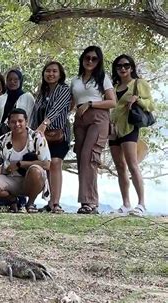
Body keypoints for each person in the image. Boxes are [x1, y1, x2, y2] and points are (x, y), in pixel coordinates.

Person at [71, 45, 116, 214]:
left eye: (94, 58)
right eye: (87, 58)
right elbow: (70, 104)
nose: (90, 61)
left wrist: (90, 104)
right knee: (82, 160)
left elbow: (112, 102)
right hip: (80, 121)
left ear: (99, 61)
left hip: (98, 118)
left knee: (89, 156)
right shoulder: (75, 80)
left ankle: (89, 202)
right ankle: (89, 202)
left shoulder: (102, 78)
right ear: (82, 59)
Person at [109, 55, 155, 216]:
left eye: (126, 65)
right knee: (120, 167)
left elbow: (151, 104)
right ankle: (125, 204)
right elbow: (111, 108)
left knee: (132, 165)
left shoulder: (138, 84)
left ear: (132, 67)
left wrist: (138, 99)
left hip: (129, 128)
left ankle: (141, 204)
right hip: (114, 130)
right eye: (119, 66)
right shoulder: (113, 88)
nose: (123, 68)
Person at [0, 108, 51, 213]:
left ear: (26, 122)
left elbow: (47, 164)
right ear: (8, 123)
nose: (17, 124)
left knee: (36, 170)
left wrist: (20, 164)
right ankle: (12, 200)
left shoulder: (37, 138)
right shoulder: (1, 140)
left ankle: (30, 203)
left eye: (20, 121)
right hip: (10, 178)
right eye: (13, 122)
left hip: (32, 179)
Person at [30, 61, 71, 214]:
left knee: (55, 163)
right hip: (42, 136)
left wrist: (44, 124)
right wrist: (33, 132)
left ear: (60, 74)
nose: (51, 74)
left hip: (59, 134)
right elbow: (35, 114)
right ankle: (49, 201)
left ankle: (56, 203)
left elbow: (58, 108)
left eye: (54, 71)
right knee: (46, 165)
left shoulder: (64, 90)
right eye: (48, 71)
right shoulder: (42, 93)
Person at [0, 69, 35, 137]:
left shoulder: (28, 97)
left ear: (20, 81)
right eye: (10, 79)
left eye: (15, 79)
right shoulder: (0, 99)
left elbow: (32, 118)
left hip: (22, 136)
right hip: (1, 137)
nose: (12, 82)